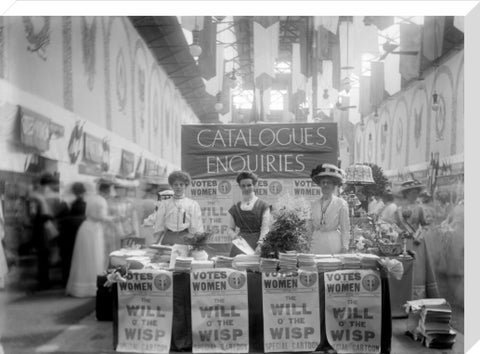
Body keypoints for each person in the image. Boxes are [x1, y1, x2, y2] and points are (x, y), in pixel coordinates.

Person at [66, 182, 116, 297]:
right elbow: (102, 217)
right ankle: (92, 286)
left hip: (85, 228)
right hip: (94, 230)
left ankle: (79, 286)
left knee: (83, 258)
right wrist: (115, 219)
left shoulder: (91, 198)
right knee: (94, 257)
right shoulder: (101, 201)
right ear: (107, 191)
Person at [394, 179, 440, 299]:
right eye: (412, 193)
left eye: (416, 192)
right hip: (403, 242)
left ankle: (417, 297)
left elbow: (425, 225)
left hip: (417, 242)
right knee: (403, 267)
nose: (414, 195)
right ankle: (402, 295)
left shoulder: (420, 209)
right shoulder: (398, 210)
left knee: (418, 268)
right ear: (406, 193)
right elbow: (394, 225)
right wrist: (402, 232)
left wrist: (418, 235)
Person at [29, 172, 64, 289]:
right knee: (52, 253)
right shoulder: (56, 196)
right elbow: (59, 212)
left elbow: (33, 214)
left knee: (42, 255)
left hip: (41, 228)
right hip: (54, 227)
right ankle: (49, 279)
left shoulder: (35, 195)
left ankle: (44, 280)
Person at [153, 171, 203, 245]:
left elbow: (196, 226)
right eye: (175, 185)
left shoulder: (192, 204)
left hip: (185, 238)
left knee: (183, 256)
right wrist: (155, 242)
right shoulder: (165, 204)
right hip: (168, 238)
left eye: (181, 184)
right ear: (171, 186)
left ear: (185, 186)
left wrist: (197, 242)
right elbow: (159, 225)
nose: (178, 187)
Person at [310, 163, 350, 254]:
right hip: (317, 241)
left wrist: (345, 247)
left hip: (333, 241)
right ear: (319, 184)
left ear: (334, 185)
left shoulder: (341, 203)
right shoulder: (314, 204)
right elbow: (311, 226)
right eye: (323, 182)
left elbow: (345, 228)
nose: (325, 185)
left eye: (329, 182)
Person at [228, 172, 271, 257]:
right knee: (237, 269)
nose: (246, 188)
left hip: (257, 244)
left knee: (256, 268)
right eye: (243, 186)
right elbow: (230, 228)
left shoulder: (263, 206)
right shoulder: (235, 208)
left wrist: (261, 245)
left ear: (254, 185)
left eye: (249, 185)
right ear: (240, 186)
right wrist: (234, 236)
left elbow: (265, 228)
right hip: (240, 246)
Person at [59, 182, 87, 286]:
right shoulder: (85, 202)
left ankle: (67, 280)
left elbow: (61, 216)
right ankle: (76, 279)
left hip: (68, 231)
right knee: (78, 257)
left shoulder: (66, 201)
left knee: (68, 257)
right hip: (80, 230)